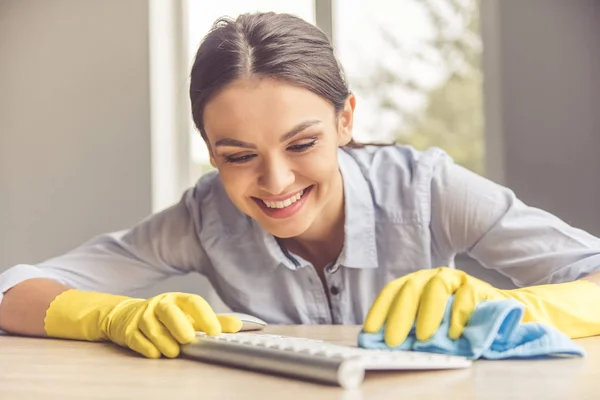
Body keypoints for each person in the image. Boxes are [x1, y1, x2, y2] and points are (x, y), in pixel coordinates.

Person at [1, 12, 599, 359]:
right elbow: (12, 293)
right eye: (238, 155)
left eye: (302, 143)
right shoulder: (204, 217)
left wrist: (500, 306)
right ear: (210, 151)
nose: (276, 181)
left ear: (345, 121)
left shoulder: (428, 189)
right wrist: (111, 318)